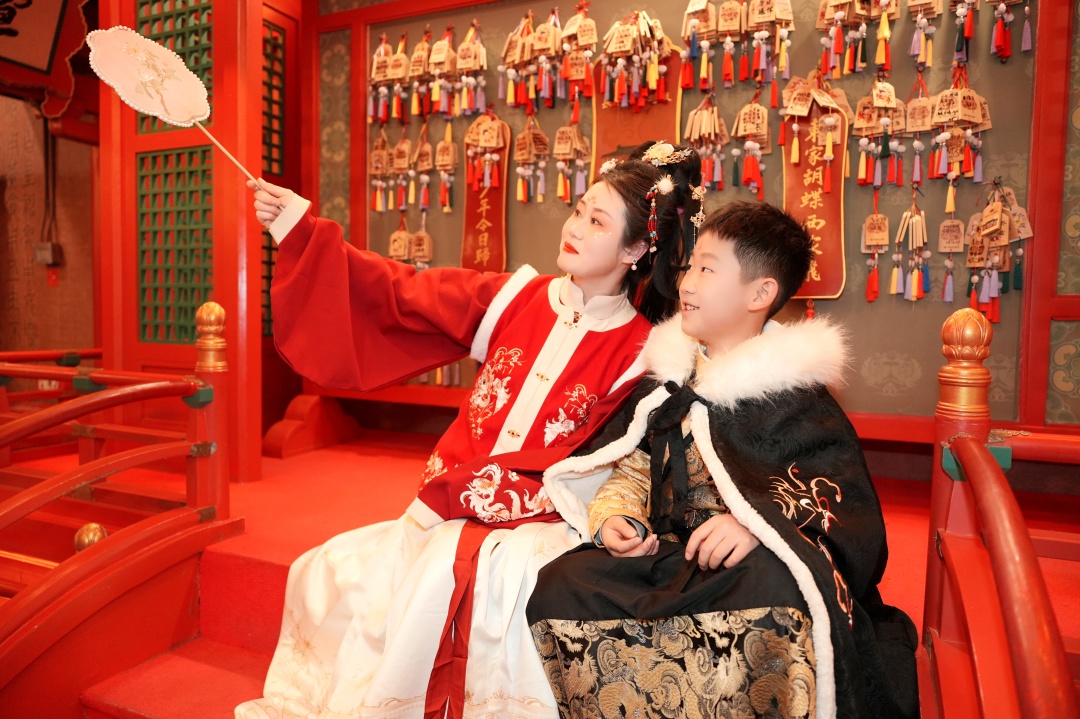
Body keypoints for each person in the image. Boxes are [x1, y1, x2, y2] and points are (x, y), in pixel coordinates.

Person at [235, 143, 703, 719]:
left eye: (597, 222)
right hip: (449, 498)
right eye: (578, 210)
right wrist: (301, 230)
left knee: (484, 584)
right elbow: (398, 291)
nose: (575, 227)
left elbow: (605, 462)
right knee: (330, 572)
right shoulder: (516, 298)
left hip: (540, 518)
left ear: (634, 249)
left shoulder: (643, 353)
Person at [527, 201, 919, 719]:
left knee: (779, 589)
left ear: (760, 294)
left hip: (745, 565)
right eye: (690, 266)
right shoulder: (672, 380)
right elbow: (635, 468)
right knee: (563, 584)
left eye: (708, 270)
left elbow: (838, 501)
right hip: (674, 556)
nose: (686, 283)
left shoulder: (796, 396)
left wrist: (756, 525)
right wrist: (618, 517)